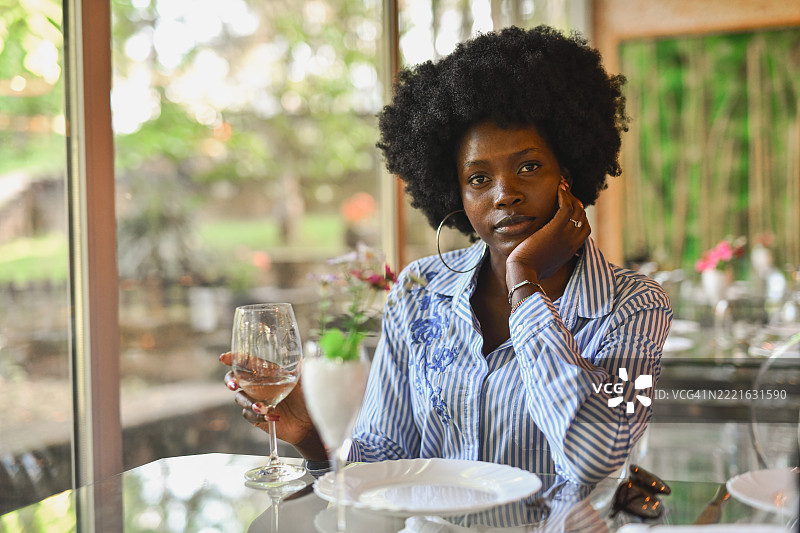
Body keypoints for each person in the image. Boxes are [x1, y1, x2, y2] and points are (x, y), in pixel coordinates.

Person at [222, 25, 672, 485]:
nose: (504, 194)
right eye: (479, 179)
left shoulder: (635, 305)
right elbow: (384, 459)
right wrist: (312, 436)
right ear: (456, 192)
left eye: (528, 166)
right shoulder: (419, 289)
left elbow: (596, 460)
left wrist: (523, 280)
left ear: (567, 175)